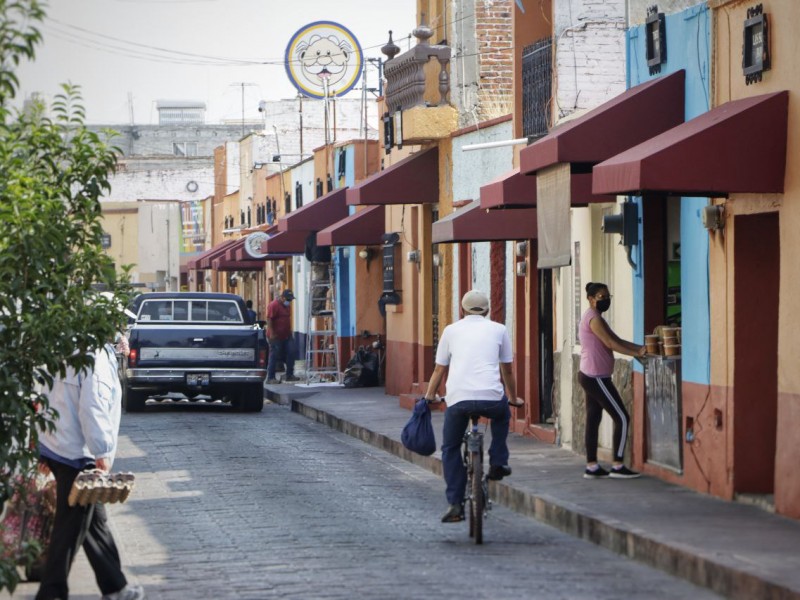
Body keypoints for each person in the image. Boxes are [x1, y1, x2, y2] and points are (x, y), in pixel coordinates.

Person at [36, 342, 145, 600]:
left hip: (60, 445)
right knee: (70, 526)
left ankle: (115, 587)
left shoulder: (69, 347)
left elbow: (49, 396)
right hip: (78, 452)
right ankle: (51, 593)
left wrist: (43, 446)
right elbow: (92, 406)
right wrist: (102, 452)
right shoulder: (94, 356)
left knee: (95, 523)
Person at [423, 290, 524, 523]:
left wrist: (430, 395)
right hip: (491, 397)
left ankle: (455, 504)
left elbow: (440, 369)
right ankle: (498, 462)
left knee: (449, 448)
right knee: (502, 415)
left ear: (462, 310)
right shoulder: (499, 329)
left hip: (458, 399)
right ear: (487, 311)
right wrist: (514, 397)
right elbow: (506, 369)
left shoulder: (450, 330)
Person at [578, 282, 645, 480]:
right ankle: (617, 465)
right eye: (601, 297)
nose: (605, 300)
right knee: (622, 418)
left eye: (608, 296)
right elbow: (611, 343)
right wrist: (637, 352)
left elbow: (616, 339)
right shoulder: (593, 318)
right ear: (591, 299)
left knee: (593, 419)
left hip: (591, 375)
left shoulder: (596, 317)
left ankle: (592, 466)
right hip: (596, 377)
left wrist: (640, 349)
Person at [265, 289, 299, 384]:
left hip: (286, 335)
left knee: (292, 352)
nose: (289, 301)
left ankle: (289, 375)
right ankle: (270, 377)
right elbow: (269, 319)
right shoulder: (274, 305)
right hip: (275, 336)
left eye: (291, 300)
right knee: (274, 355)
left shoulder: (287, 306)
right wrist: (272, 333)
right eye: (288, 299)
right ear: (282, 297)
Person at [305, 231, 331, 315]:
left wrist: (313, 259)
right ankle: (316, 308)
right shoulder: (325, 234)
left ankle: (319, 308)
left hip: (317, 263)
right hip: (324, 263)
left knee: (321, 286)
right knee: (321, 286)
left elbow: (308, 255)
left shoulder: (309, 239)